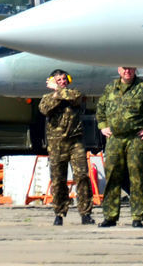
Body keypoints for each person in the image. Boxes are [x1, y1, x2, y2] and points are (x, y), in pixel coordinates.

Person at [96, 65, 143, 227]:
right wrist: (102, 126)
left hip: (136, 139)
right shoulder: (110, 88)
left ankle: (137, 217)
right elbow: (101, 108)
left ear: (135, 69)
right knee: (112, 177)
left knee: (136, 178)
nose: (127, 71)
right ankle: (110, 216)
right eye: (124, 69)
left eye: (130, 68)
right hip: (115, 139)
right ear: (118, 70)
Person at [38, 69, 93, 225]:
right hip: (56, 145)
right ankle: (59, 212)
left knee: (82, 176)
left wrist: (58, 90)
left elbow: (76, 97)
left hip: (75, 142)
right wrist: (57, 94)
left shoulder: (74, 93)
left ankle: (85, 212)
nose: (62, 82)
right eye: (58, 80)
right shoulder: (47, 98)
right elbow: (44, 109)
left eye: (64, 79)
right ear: (52, 81)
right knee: (58, 180)